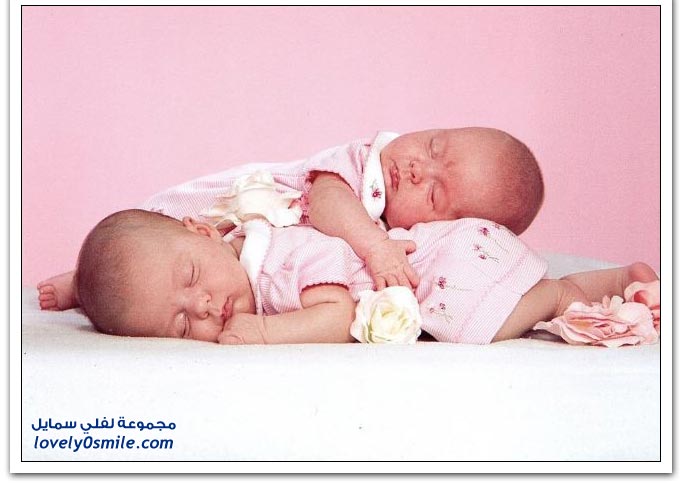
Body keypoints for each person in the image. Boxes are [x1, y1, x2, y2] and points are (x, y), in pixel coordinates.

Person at [38, 126, 545, 311]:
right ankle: (84, 282)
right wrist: (374, 246)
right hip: (233, 210)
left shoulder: (407, 238)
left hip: (247, 258)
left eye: (434, 193)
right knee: (145, 247)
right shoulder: (363, 164)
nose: (418, 170)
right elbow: (327, 202)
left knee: (165, 296)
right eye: (434, 147)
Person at [74, 209, 658, 346]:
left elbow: (339, 314)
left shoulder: (277, 259)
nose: (203, 306)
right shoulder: (246, 268)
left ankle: (568, 293)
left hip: (441, 271)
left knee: (496, 319)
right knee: (532, 296)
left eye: (192, 277)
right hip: (445, 258)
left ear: (205, 232)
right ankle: (616, 278)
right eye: (181, 324)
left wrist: (267, 334)